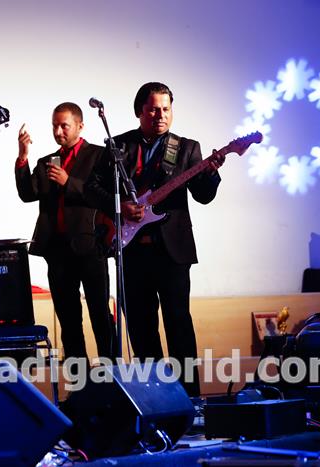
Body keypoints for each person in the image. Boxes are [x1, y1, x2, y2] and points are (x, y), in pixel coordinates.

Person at [87, 82, 225, 396]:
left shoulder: (186, 148)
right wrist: (119, 207)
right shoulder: (118, 146)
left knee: (179, 325)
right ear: (140, 112)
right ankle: (155, 398)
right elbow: (91, 188)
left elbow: (203, 196)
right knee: (140, 328)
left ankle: (189, 398)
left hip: (171, 253)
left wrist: (211, 172)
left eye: (166, 109)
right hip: (131, 251)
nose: (160, 115)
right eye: (153, 109)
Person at [15, 102, 114, 361]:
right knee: (68, 321)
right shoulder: (48, 161)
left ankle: (112, 377)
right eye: (54, 126)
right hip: (57, 251)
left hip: (91, 247)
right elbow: (27, 193)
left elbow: (106, 198)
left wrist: (69, 182)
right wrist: (23, 157)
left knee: (100, 315)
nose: (58, 131)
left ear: (80, 126)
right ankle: (79, 381)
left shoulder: (100, 156)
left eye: (64, 126)